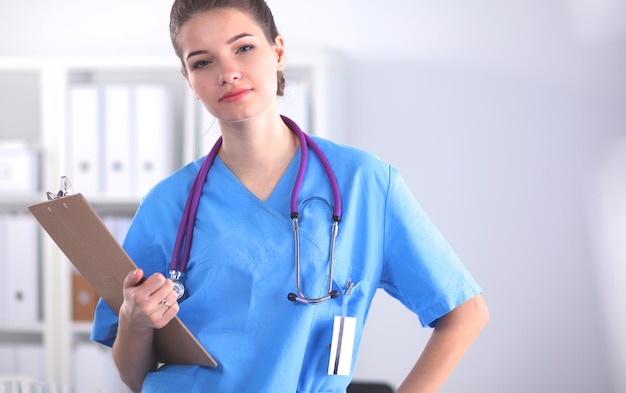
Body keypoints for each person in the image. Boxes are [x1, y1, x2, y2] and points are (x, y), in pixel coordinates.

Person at [91, 0, 490, 392]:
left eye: (243, 48)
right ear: (189, 81)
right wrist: (134, 319)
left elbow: (465, 312)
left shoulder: (364, 182)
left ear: (277, 51)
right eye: (203, 62)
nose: (228, 73)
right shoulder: (167, 202)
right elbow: (134, 377)